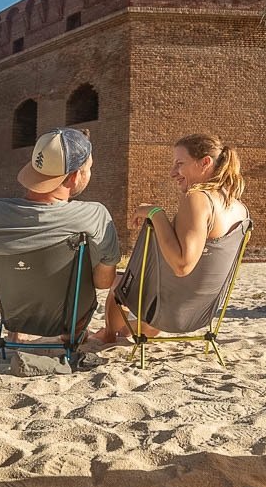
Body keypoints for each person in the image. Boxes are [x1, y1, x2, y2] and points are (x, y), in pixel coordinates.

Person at [0, 127, 119, 344]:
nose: (90, 173)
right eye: (89, 168)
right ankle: (72, 335)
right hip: (68, 318)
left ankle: (17, 331)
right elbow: (103, 282)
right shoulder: (94, 216)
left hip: (15, 316)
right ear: (73, 177)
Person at [92, 133, 249, 345]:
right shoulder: (241, 210)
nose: (173, 172)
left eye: (180, 164)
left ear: (205, 163)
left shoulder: (198, 198)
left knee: (118, 280)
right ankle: (143, 328)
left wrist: (156, 214)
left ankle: (109, 334)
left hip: (168, 311)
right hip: (202, 314)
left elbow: (182, 266)